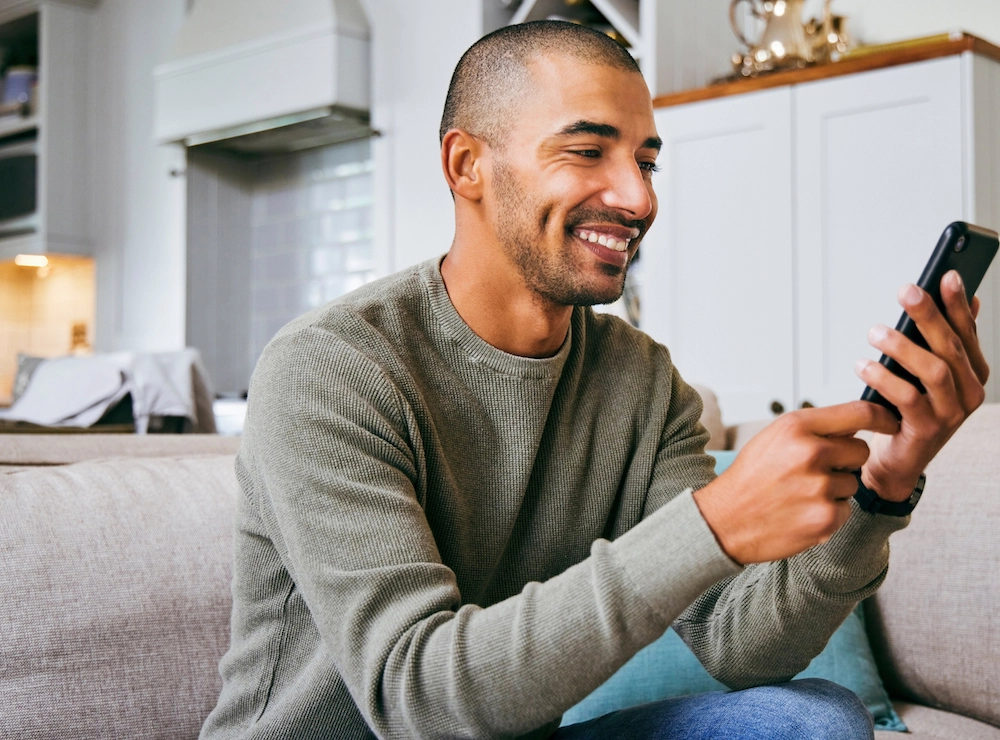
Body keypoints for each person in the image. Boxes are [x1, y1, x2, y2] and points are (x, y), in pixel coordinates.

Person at [200, 21, 989, 740]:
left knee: (809, 721)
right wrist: (711, 526)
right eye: (587, 151)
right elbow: (422, 701)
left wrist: (883, 487)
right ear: (466, 164)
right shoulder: (332, 368)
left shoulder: (640, 380)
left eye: (646, 161)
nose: (639, 197)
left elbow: (740, 647)